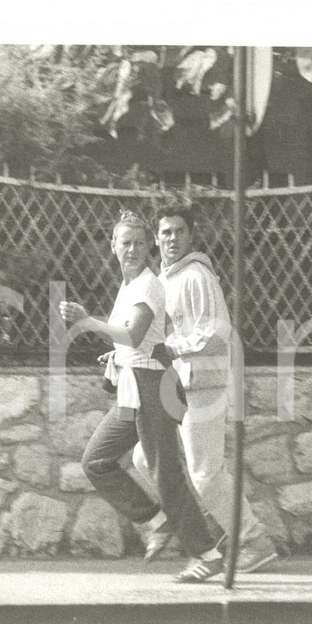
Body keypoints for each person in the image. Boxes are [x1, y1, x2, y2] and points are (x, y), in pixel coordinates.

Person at [59, 210, 225, 583]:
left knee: (166, 474)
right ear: (113, 246)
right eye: (125, 242)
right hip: (133, 385)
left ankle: (207, 553)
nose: (132, 249)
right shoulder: (128, 286)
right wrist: (116, 355)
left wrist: (87, 322)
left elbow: (134, 334)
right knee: (96, 460)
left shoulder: (149, 285)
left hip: (154, 387)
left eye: (138, 243)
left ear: (148, 246)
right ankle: (156, 518)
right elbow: (134, 342)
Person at [134, 200, 279, 573]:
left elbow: (217, 333)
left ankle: (253, 540)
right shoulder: (164, 280)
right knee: (144, 457)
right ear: (156, 238)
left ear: (190, 235)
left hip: (203, 383)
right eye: (166, 232)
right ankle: (206, 527)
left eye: (180, 231)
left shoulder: (197, 275)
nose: (173, 238)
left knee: (205, 472)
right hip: (176, 386)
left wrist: (170, 348)